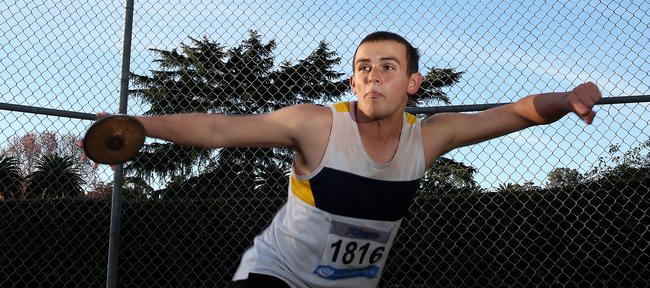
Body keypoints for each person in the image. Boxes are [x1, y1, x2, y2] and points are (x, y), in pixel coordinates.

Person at [113, 31, 601, 288]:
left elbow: (517, 112)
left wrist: (572, 96)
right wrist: (138, 125)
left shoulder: (429, 138)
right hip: (276, 275)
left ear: (413, 83)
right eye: (363, 69)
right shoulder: (317, 125)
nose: (374, 77)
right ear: (352, 82)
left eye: (388, 68)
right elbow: (219, 128)